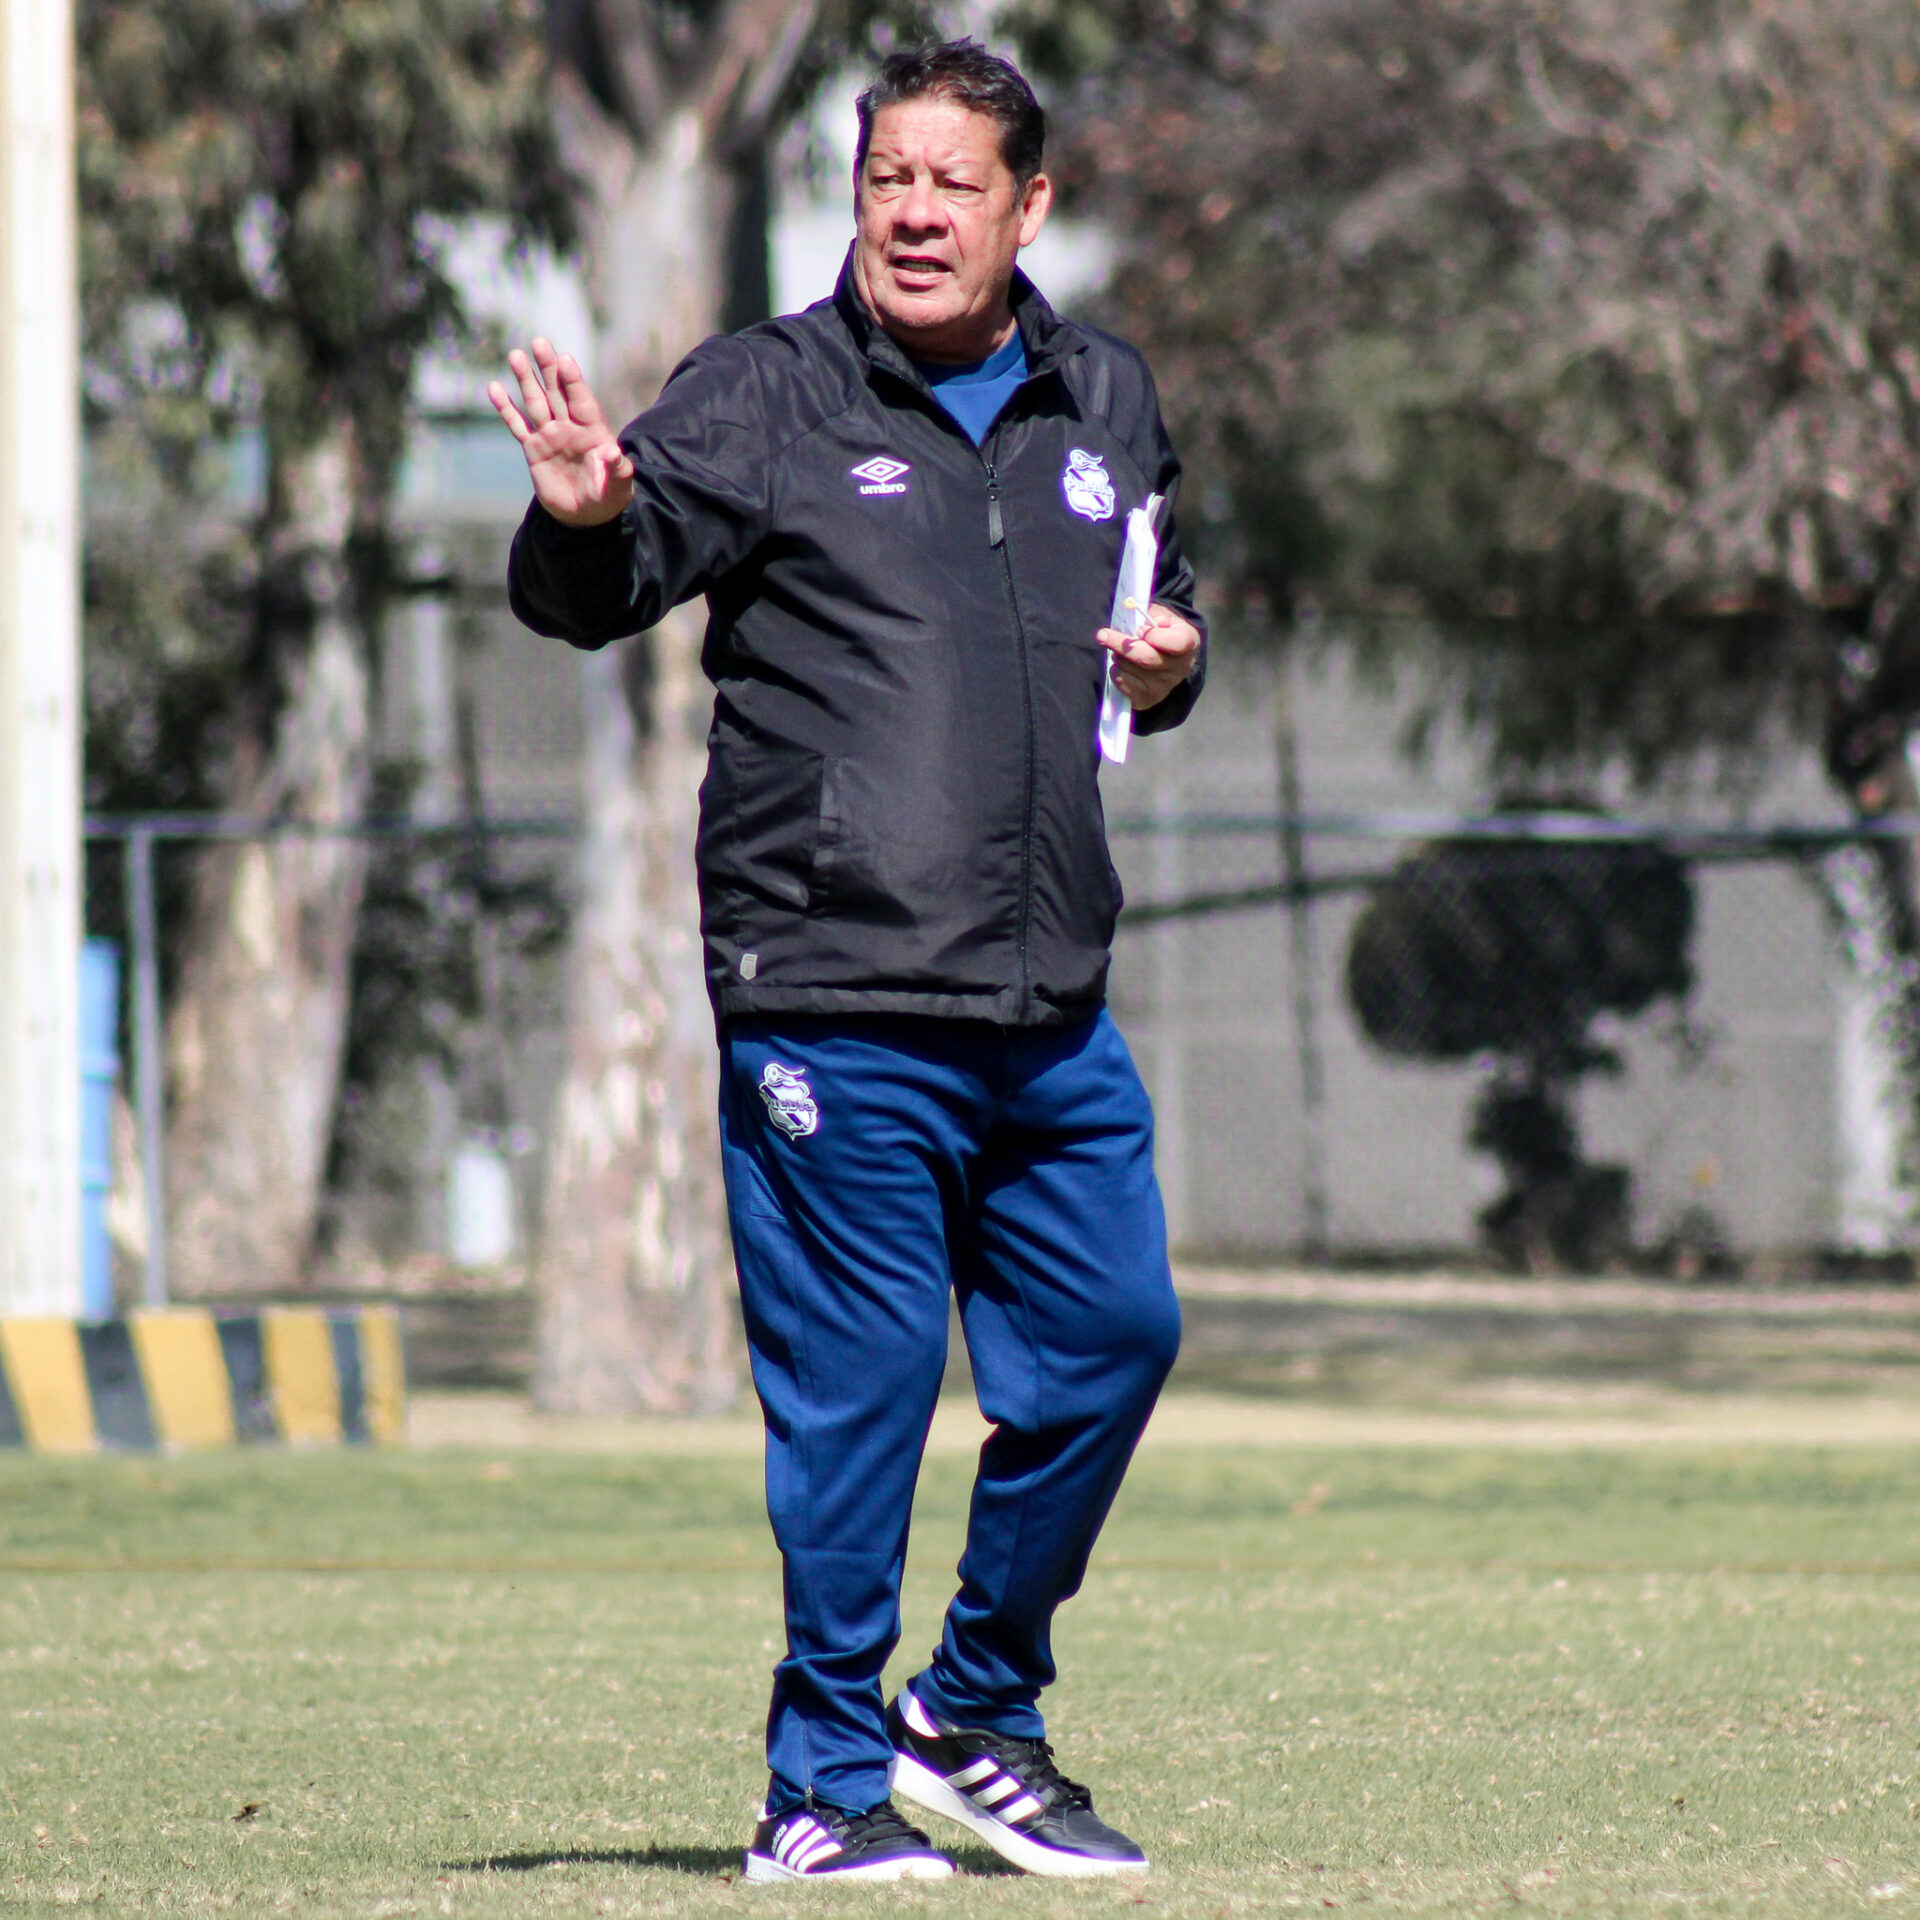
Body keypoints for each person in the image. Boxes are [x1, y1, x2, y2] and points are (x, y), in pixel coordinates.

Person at [491, 38, 1205, 1884]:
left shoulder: (1106, 397)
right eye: (889, 176)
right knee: (864, 1401)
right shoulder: (771, 390)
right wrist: (580, 517)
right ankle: (818, 1790)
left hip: (1048, 1001)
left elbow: (1160, 614)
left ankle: (969, 1714)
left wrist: (1176, 665)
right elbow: (606, 579)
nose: (916, 210)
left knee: (1116, 1341)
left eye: (956, 183)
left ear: (1030, 207)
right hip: (833, 997)